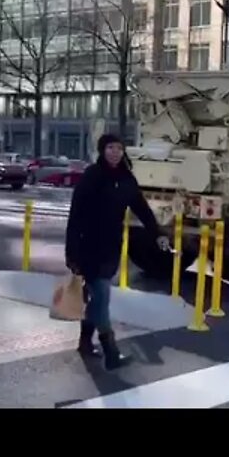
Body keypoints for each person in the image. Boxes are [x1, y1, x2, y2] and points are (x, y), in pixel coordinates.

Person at [65, 133, 169, 370]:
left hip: (111, 246)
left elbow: (141, 209)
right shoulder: (92, 176)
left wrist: (159, 233)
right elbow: (76, 215)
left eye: (119, 148)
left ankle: (84, 342)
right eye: (110, 147)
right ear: (102, 150)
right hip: (88, 246)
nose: (115, 152)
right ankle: (111, 351)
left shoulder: (126, 178)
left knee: (97, 298)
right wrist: (71, 252)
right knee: (101, 297)